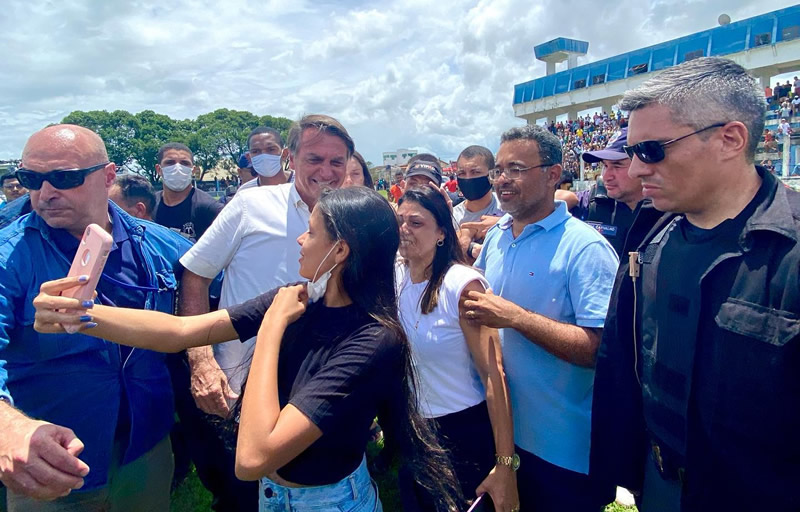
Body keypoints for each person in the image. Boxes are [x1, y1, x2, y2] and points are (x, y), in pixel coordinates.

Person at [32, 187, 460, 512]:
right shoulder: (299, 298)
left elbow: (253, 457)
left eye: (311, 233)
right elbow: (182, 331)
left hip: (327, 501)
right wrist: (79, 316)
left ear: (340, 250)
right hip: (274, 495)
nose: (300, 241)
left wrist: (271, 330)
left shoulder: (371, 340)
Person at [591, 56, 800, 511]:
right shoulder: (649, 239)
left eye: (650, 150)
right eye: (631, 153)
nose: (636, 169)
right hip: (661, 484)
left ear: (729, 139)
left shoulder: (790, 255)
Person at [0, 124, 192, 511]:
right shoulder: (10, 256)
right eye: (31, 179)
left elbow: (210, 272)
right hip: (51, 460)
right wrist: (8, 427)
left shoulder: (154, 242)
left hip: (145, 448)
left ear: (108, 177)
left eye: (64, 178)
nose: (45, 193)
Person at [174, 114, 353, 510]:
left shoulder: (354, 218)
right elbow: (195, 275)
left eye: (336, 162)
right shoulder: (251, 204)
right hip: (239, 388)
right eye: (314, 159)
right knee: (241, 492)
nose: (326, 171)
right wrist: (202, 361)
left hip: (315, 394)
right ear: (291, 159)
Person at [465, 124, 619, 511]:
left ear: (553, 174)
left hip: (564, 452)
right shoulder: (498, 236)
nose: (501, 180)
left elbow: (599, 350)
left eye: (515, 169)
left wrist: (518, 318)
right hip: (504, 437)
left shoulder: (586, 249)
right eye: (498, 169)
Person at [396, 186, 517, 512]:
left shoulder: (461, 285)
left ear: (441, 233)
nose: (405, 230)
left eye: (416, 223)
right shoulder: (397, 279)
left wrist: (505, 465)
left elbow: (494, 375)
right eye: (400, 221)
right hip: (417, 435)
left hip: (463, 434)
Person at [581, 127, 644, 257]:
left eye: (617, 165)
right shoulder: (596, 202)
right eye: (605, 166)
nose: (606, 176)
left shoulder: (672, 210)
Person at [151, 142, 223, 242]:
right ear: (159, 169)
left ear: (193, 170)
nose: (177, 168)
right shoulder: (149, 205)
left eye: (184, 163)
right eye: (170, 162)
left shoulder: (209, 208)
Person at [452, 145, 504, 263]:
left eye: (475, 172)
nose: (468, 178)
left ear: (493, 175)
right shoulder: (452, 217)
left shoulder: (510, 209)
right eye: (462, 173)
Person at [238, 127, 292, 192]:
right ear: (249, 158)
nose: (264, 155)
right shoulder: (245, 192)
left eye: (271, 149)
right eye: (256, 151)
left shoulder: (303, 183)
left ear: (285, 154)